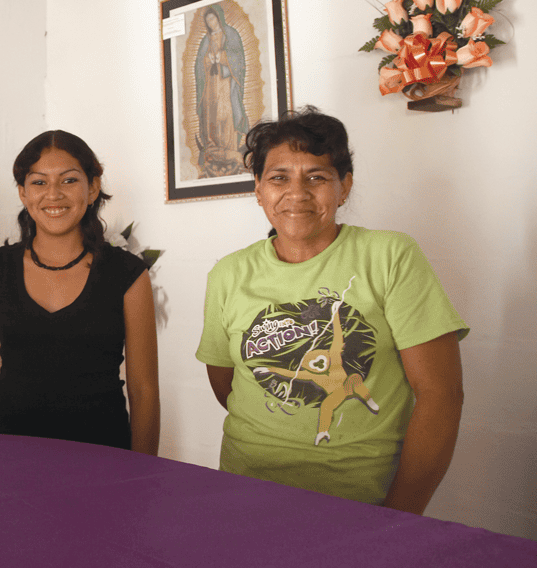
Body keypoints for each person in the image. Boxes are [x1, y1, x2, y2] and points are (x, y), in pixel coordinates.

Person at [195, 106, 468, 514]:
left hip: (360, 498)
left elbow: (441, 396)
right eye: (278, 178)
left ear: (345, 186)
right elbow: (229, 383)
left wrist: (400, 516)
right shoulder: (228, 274)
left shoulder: (390, 256)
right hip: (243, 491)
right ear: (258, 189)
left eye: (317, 177)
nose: (297, 193)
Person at [0, 130, 160, 454]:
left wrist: (145, 473)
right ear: (23, 193)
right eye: (39, 182)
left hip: (103, 459)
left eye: (68, 181)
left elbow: (144, 388)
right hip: (7, 456)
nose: (53, 194)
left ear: (93, 188)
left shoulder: (128, 275)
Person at [194, 5, 249, 178]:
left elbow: (239, 59)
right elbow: (198, 65)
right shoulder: (205, 40)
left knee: (226, 113)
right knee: (211, 114)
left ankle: (229, 148)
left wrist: (223, 58)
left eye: (213, 18)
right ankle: (212, 148)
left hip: (226, 83)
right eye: (208, 20)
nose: (211, 23)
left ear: (219, 18)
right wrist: (207, 60)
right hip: (210, 84)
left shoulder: (231, 34)